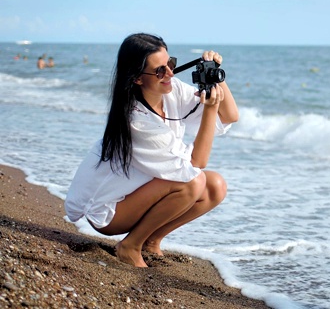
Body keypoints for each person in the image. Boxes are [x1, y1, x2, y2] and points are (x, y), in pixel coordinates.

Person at [64, 33, 239, 267]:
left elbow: (230, 116)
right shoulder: (136, 121)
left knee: (215, 186)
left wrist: (215, 75)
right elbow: (197, 163)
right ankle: (130, 246)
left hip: (137, 195)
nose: (169, 74)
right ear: (136, 78)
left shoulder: (170, 89)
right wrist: (209, 109)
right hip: (109, 210)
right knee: (194, 181)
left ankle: (151, 239)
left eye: (171, 64)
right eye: (159, 71)